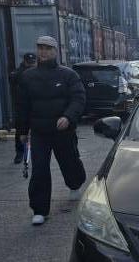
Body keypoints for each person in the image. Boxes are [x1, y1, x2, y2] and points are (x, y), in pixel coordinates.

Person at [16, 36, 87, 226]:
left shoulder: (68, 75)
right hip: (39, 132)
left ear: (56, 51)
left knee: (70, 162)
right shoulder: (28, 77)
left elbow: (78, 98)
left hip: (63, 130)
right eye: (40, 48)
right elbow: (22, 106)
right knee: (39, 169)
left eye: (48, 48)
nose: (44, 52)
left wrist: (68, 117)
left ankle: (74, 185)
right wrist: (22, 131)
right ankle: (39, 210)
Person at [9, 53, 37, 163]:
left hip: (35, 105)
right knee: (20, 130)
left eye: (33, 63)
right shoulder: (18, 73)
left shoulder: (37, 71)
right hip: (22, 106)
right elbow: (12, 80)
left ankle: (35, 152)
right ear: (24, 62)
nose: (31, 65)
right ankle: (19, 153)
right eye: (29, 63)